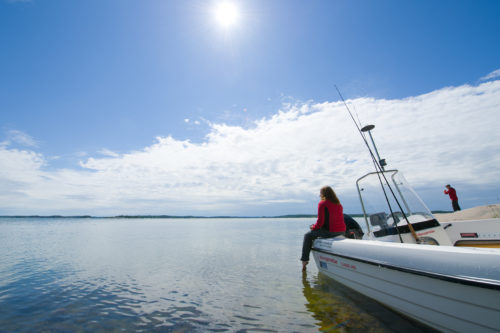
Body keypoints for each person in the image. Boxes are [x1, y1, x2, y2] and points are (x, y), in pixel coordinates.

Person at [301, 186, 346, 271]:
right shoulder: (339, 205)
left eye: (320, 193)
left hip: (331, 232)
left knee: (307, 235)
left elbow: (320, 222)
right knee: (313, 232)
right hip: (342, 232)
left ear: (323, 194)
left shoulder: (323, 203)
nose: (319, 195)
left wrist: (313, 227)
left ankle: (304, 260)